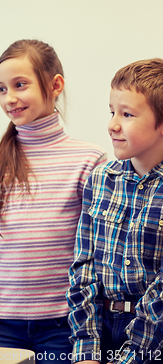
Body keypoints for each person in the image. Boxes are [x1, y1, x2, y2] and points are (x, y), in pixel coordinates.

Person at [0, 39, 107, 364]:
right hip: (1, 324)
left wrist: (89, 326)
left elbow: (94, 254)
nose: (9, 98)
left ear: (55, 85)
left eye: (19, 85)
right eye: (1, 89)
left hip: (63, 323)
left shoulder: (89, 159)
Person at [67, 58, 163, 364]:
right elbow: (84, 268)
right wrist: (87, 351)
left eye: (127, 114)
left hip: (152, 335)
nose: (113, 124)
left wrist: (131, 356)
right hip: (101, 328)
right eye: (112, 111)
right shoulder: (100, 179)